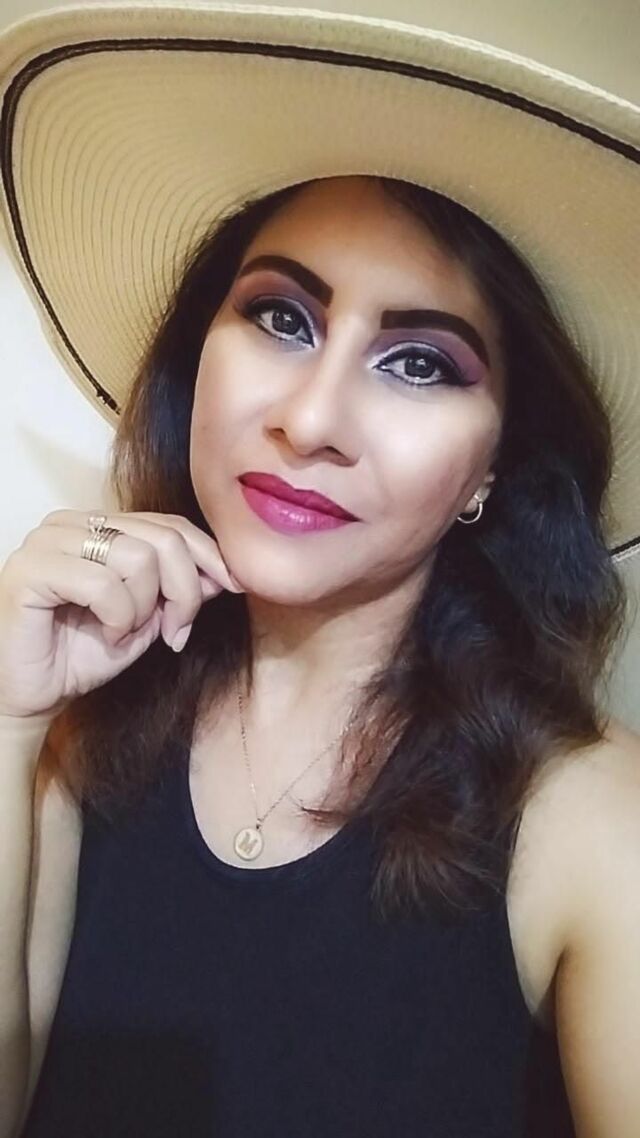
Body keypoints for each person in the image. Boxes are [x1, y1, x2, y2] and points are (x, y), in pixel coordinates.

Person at [0, 2, 639, 1136]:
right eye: (281, 318)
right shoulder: (74, 733)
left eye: (418, 363)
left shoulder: (589, 816)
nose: (310, 419)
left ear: (493, 467)